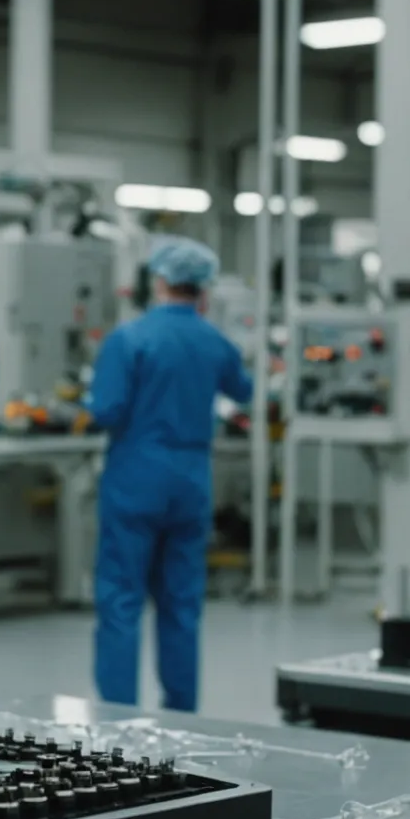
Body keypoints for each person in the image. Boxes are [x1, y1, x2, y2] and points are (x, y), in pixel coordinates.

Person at [86, 238, 253, 712]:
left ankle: (118, 715)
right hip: (191, 480)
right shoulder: (214, 340)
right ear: (202, 288)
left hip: (136, 477)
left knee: (121, 600)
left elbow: (106, 409)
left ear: (157, 281)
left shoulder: (129, 338)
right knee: (181, 603)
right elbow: (243, 389)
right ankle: (182, 712)